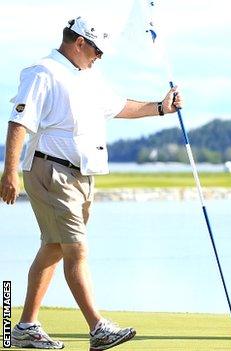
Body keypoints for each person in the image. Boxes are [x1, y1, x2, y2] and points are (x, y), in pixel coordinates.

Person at [0, 16, 183, 350]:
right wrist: (9, 172)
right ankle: (98, 328)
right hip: (51, 170)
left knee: (55, 246)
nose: (101, 55)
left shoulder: (89, 76)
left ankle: (25, 326)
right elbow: (18, 122)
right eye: (96, 49)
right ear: (79, 42)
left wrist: (160, 107)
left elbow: (119, 106)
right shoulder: (43, 72)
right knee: (76, 248)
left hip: (81, 175)